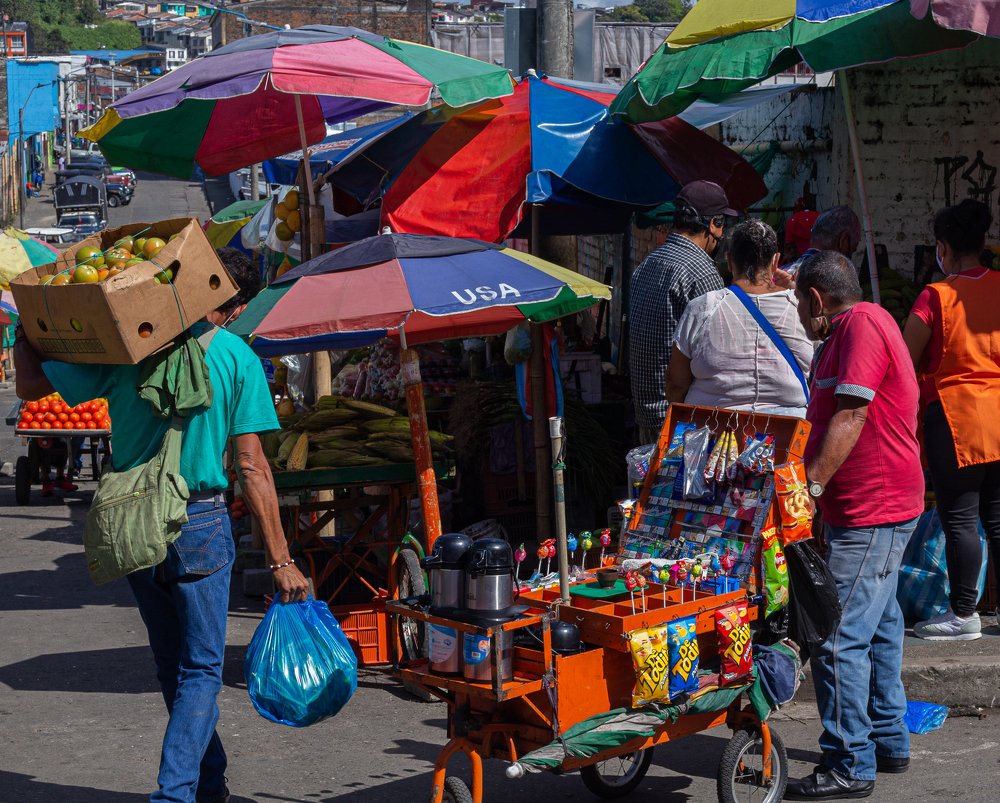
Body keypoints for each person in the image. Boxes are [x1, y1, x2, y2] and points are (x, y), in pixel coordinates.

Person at [13, 247, 310, 803]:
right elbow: (252, 466)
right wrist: (281, 559)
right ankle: (174, 795)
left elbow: (30, 387)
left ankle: (210, 783)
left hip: (131, 522)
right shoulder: (237, 359)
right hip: (199, 522)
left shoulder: (127, 351)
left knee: (173, 666)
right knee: (200, 670)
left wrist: (24, 337)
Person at [785, 251, 924, 801]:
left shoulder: (862, 323)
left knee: (838, 636)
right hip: (872, 507)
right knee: (882, 624)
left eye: (799, 301)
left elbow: (851, 414)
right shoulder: (849, 329)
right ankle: (888, 741)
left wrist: (810, 488)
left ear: (817, 300)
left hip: (875, 508)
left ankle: (849, 762)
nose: (797, 311)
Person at [903, 199, 1000, 640]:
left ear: (943, 247)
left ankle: (964, 613)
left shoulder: (937, 295)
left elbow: (905, 357)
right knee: (997, 519)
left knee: (959, 518)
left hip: (957, 416)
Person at [666, 219, 812, 417]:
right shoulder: (801, 308)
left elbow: (676, 384)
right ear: (775, 261)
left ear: (730, 260)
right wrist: (796, 292)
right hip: (789, 439)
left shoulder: (702, 308)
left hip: (710, 435)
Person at [628, 180, 737, 442]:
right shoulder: (701, 271)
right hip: (681, 424)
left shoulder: (647, 264)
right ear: (714, 224)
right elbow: (717, 354)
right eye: (722, 226)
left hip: (647, 415)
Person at [782, 205, 862, 280]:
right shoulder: (835, 282)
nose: (855, 249)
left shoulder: (778, 275)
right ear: (844, 241)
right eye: (855, 244)